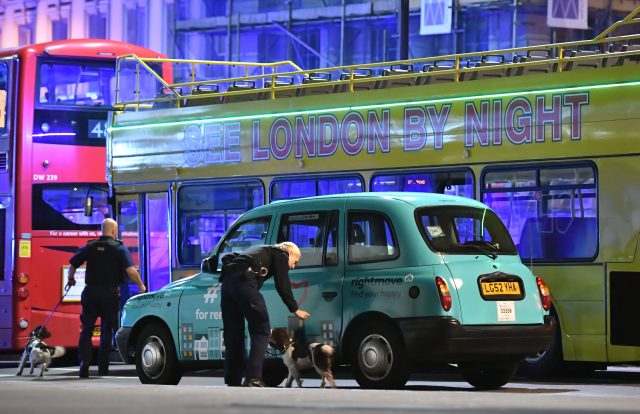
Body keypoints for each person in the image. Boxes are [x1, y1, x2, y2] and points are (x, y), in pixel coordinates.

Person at [220, 242, 310, 387]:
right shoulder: (281, 254)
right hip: (244, 280)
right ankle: (253, 378)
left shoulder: (259, 249)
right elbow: (282, 284)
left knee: (233, 334)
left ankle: (232, 380)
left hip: (227, 283)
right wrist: (295, 309)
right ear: (290, 253)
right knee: (261, 330)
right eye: (295, 261)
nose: (293, 266)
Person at [66, 218, 146, 378]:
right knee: (106, 330)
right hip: (109, 294)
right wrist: (141, 285)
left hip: (90, 293)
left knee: (86, 329)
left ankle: (84, 363)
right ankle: (103, 368)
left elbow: (73, 264)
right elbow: (130, 270)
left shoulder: (90, 246)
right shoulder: (119, 248)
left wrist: (71, 279)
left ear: (102, 230)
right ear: (114, 231)